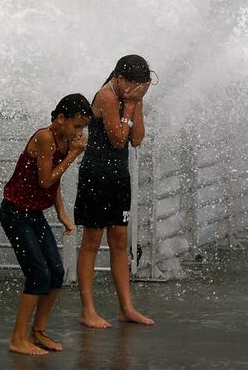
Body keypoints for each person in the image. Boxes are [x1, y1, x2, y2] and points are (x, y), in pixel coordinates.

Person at [0, 93, 93, 355]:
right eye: (76, 126)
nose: (79, 132)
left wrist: (61, 212)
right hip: (15, 214)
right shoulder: (45, 137)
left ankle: (38, 332)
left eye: (83, 128)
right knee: (38, 274)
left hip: (34, 214)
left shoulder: (63, 140)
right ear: (61, 119)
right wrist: (73, 155)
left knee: (56, 271)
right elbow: (45, 181)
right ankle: (17, 338)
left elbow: (55, 181)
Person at [74, 55, 155, 328]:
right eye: (134, 85)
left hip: (119, 177)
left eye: (142, 86)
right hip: (96, 176)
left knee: (120, 241)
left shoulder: (133, 98)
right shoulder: (107, 96)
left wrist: (136, 103)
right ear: (119, 79)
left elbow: (138, 139)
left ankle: (126, 308)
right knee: (92, 242)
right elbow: (119, 140)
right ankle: (87, 310)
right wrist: (131, 106)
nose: (138, 89)